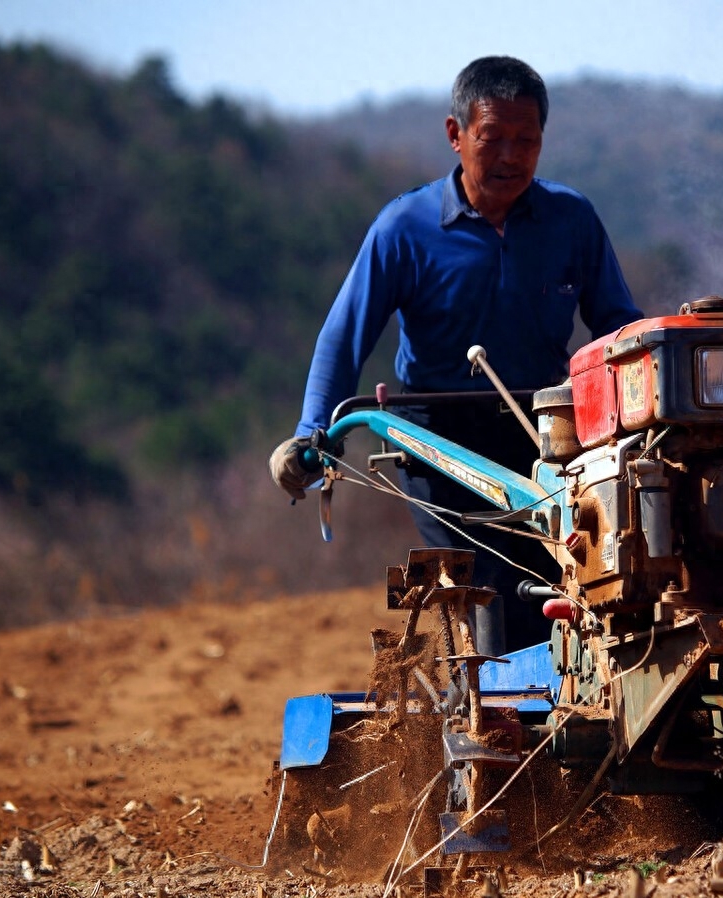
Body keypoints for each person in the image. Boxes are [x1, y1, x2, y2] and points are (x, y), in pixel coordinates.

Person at [270, 56, 643, 654]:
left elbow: (618, 328)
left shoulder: (571, 220)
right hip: (438, 444)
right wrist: (315, 432)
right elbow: (344, 335)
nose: (510, 157)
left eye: (528, 141)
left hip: (544, 432)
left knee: (580, 579)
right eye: (493, 138)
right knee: (489, 588)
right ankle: (496, 723)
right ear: (456, 135)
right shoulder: (403, 228)